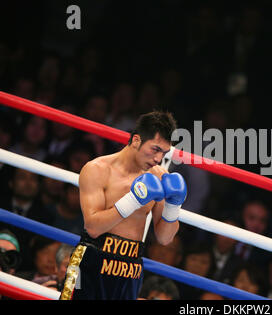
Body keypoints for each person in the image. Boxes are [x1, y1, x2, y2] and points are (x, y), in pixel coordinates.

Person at [60, 111, 187, 300]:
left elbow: (164, 238)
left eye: (164, 153)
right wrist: (133, 200)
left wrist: (173, 206)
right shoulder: (97, 170)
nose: (159, 159)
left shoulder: (158, 176)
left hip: (129, 269)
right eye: (155, 149)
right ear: (136, 140)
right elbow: (93, 228)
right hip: (91, 261)